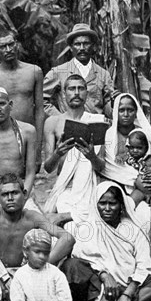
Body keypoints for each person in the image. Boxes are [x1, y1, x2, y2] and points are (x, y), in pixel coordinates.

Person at [102, 93, 151, 301]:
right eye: (122, 109)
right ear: (115, 112)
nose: (126, 114)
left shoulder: (145, 134)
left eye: (130, 109)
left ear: (136, 112)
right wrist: (135, 180)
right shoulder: (110, 136)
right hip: (121, 189)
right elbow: (109, 167)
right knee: (132, 212)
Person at [60, 182, 151, 301]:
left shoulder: (133, 230)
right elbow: (80, 256)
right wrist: (104, 275)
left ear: (121, 205)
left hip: (126, 286)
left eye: (112, 203)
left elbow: (144, 265)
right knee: (71, 266)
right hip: (99, 287)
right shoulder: (88, 229)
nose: (107, 208)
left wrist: (126, 295)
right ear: (95, 204)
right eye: (102, 203)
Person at [0, 173, 75, 293]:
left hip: (26, 275)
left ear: (24, 194)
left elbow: (67, 238)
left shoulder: (32, 217)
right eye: (5, 194)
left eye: (14, 193)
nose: (10, 198)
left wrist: (41, 264)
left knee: (50, 245)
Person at [43, 75, 106, 220]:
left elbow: (101, 167)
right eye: (72, 89)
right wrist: (57, 153)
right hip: (65, 187)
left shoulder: (97, 121)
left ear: (86, 93)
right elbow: (47, 168)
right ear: (64, 94)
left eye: (81, 88)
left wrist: (92, 157)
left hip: (90, 187)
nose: (76, 92)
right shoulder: (53, 122)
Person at [0, 30, 44, 169]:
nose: (8, 50)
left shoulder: (34, 71)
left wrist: (38, 146)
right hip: (1, 138)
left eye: (11, 44)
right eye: (3, 46)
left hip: (28, 135)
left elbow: (39, 110)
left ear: (17, 45)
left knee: (28, 181)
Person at [0, 86, 39, 219]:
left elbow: (31, 172)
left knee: (35, 220)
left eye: (2, 104)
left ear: (10, 105)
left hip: (19, 184)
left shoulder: (28, 131)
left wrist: (24, 194)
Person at [43, 23, 116, 118]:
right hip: (68, 127)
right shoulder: (58, 72)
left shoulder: (103, 74)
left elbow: (107, 104)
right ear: (71, 47)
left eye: (86, 44)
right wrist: (59, 118)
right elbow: (42, 100)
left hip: (95, 126)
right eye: (77, 44)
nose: (82, 48)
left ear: (93, 46)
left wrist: (113, 104)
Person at [126, 129, 151, 242]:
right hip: (140, 191)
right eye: (132, 148)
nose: (135, 151)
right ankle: (128, 227)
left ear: (146, 147)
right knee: (129, 203)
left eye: (139, 148)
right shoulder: (130, 159)